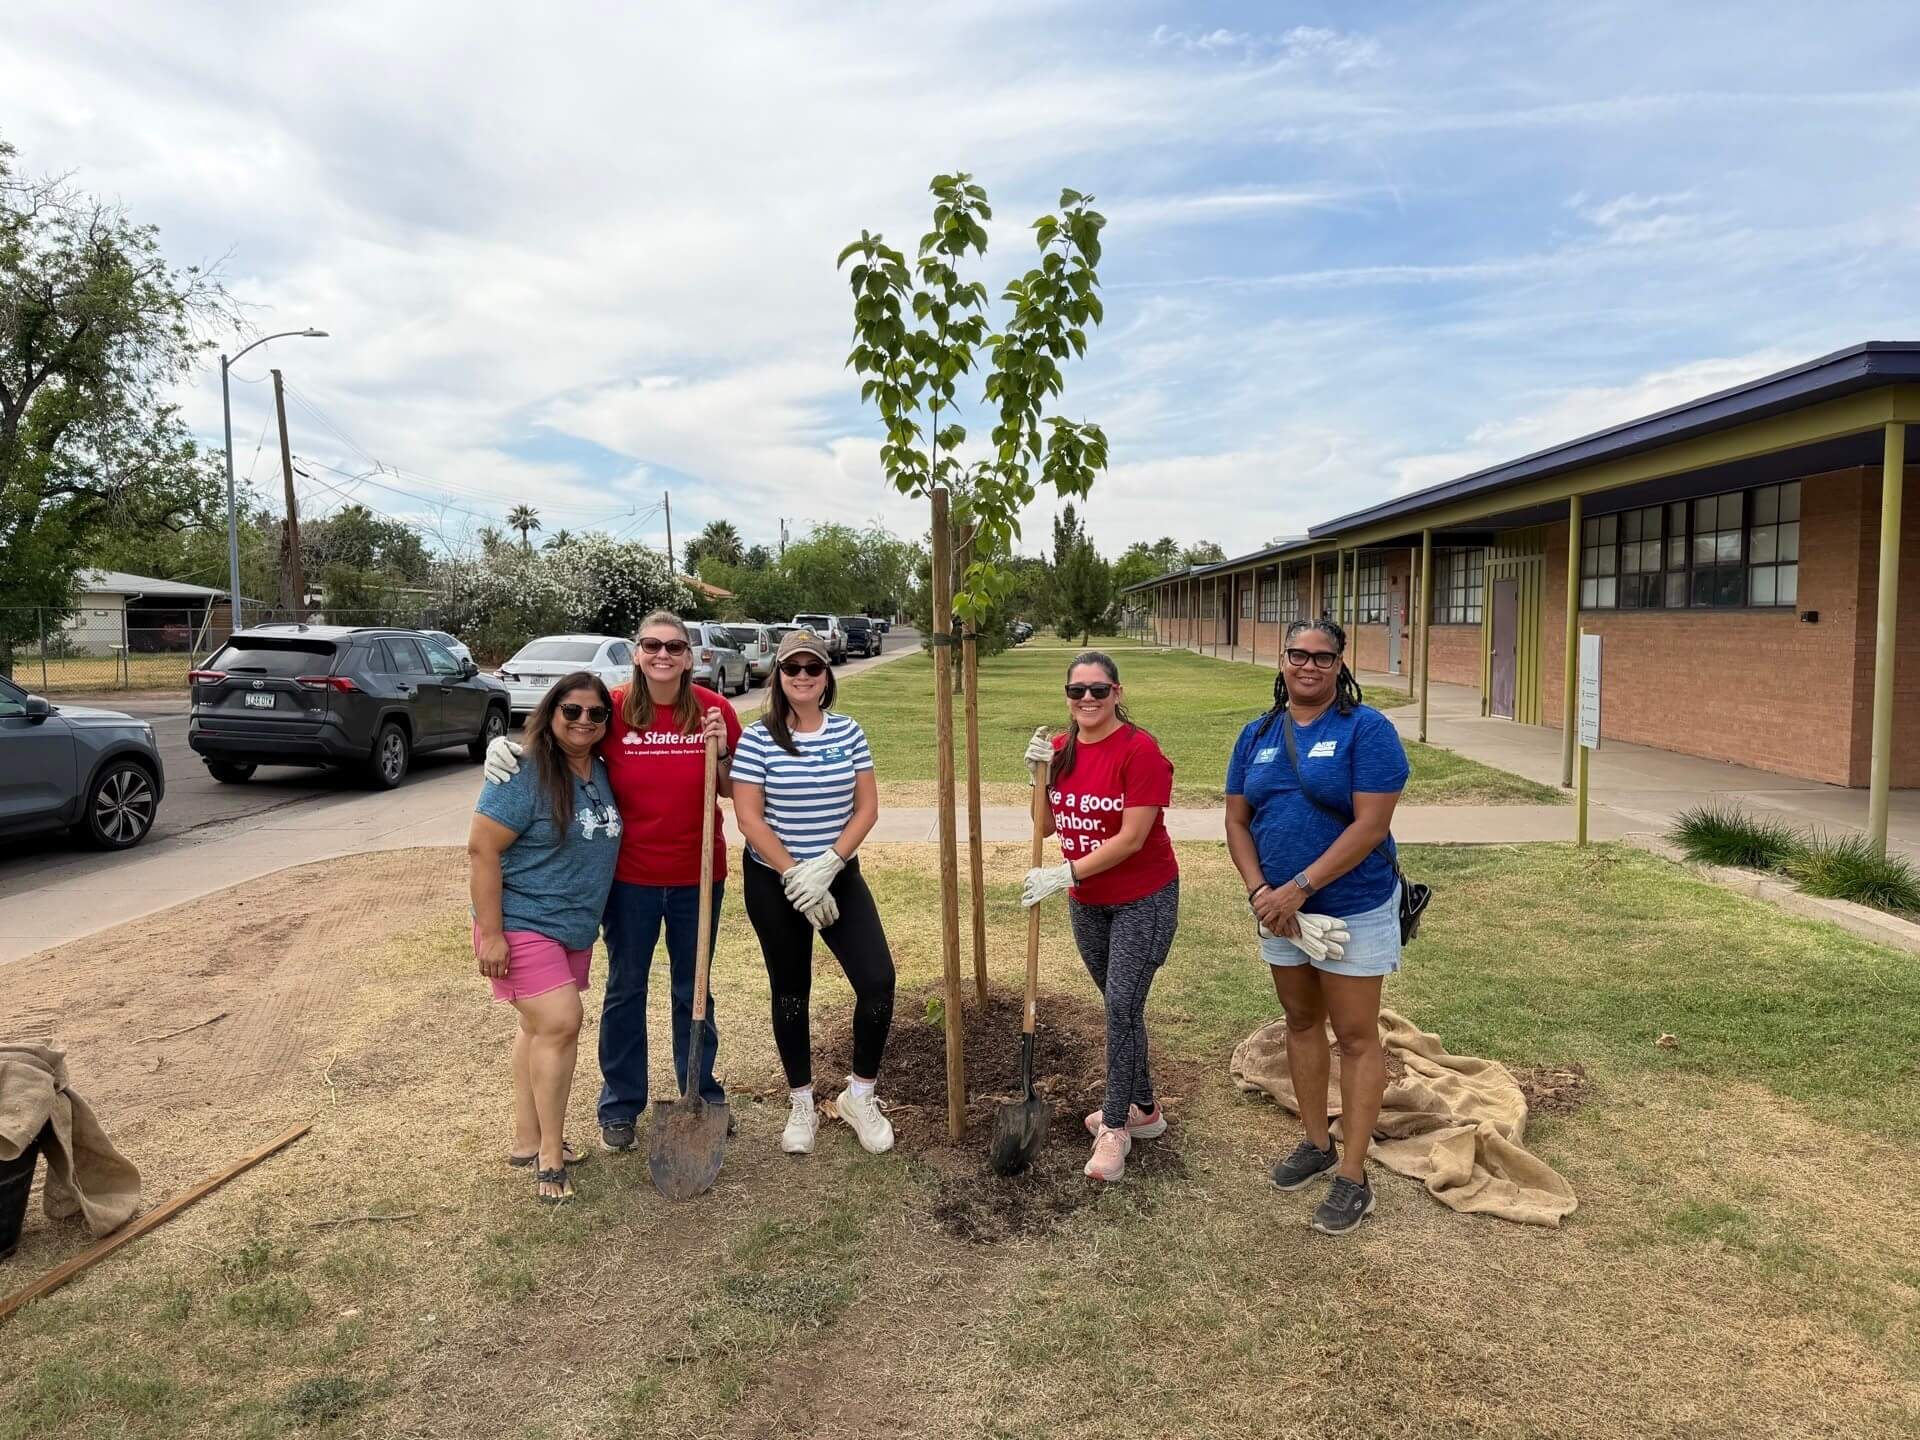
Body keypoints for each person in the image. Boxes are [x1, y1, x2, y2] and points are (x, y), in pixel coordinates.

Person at [486, 611, 740, 1153]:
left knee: (692, 990)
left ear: (690, 656)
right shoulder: (615, 710)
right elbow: (567, 742)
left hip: (698, 875)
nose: (663, 655)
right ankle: (621, 1105)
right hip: (630, 880)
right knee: (626, 988)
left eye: (674, 646)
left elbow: (727, 790)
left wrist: (720, 749)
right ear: (637, 652)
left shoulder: (715, 710)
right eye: (652, 645)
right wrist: (509, 751)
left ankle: (702, 1092)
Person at [1224, 618, 1409, 1236]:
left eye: (1322, 657)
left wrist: (1299, 888)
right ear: (1281, 660)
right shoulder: (1257, 734)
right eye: (1297, 655)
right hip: (1277, 910)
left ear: (1339, 665)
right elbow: (1237, 822)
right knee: (1301, 1022)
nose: (1308, 666)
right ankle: (1315, 1142)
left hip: (1350, 904)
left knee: (1356, 1037)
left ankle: (1353, 1176)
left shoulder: (1367, 729)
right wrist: (1261, 894)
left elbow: (1370, 827)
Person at [730, 630, 896, 1157]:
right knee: (791, 989)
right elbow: (749, 818)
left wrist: (829, 863)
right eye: (792, 669)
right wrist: (794, 875)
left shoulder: (849, 732)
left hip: (836, 874)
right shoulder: (758, 738)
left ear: (827, 676)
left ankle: (860, 1095)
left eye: (813, 669)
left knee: (877, 981)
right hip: (773, 879)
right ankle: (801, 1101)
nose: (803, 677)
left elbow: (866, 808)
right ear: (777, 677)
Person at [1019, 651, 1179, 1184]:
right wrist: (1039, 778)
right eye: (1076, 691)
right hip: (1089, 904)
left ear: (1117, 692)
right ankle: (1147, 1110)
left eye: (1098, 690)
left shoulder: (1140, 751)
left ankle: (1115, 1126)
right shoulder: (1061, 750)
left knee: (1119, 1007)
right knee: (1122, 1008)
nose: (1086, 699)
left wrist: (1066, 874)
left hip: (1144, 898)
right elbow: (1044, 827)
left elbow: (1132, 839)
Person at [468, 673, 623, 1203]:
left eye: (595, 713)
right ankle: (552, 1157)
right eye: (571, 711)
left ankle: (527, 1135)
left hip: (572, 925)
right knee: (560, 1022)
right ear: (550, 712)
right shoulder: (523, 772)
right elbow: (481, 850)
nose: (583, 721)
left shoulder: (600, 771)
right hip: (521, 921)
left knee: (537, 1030)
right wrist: (491, 934)